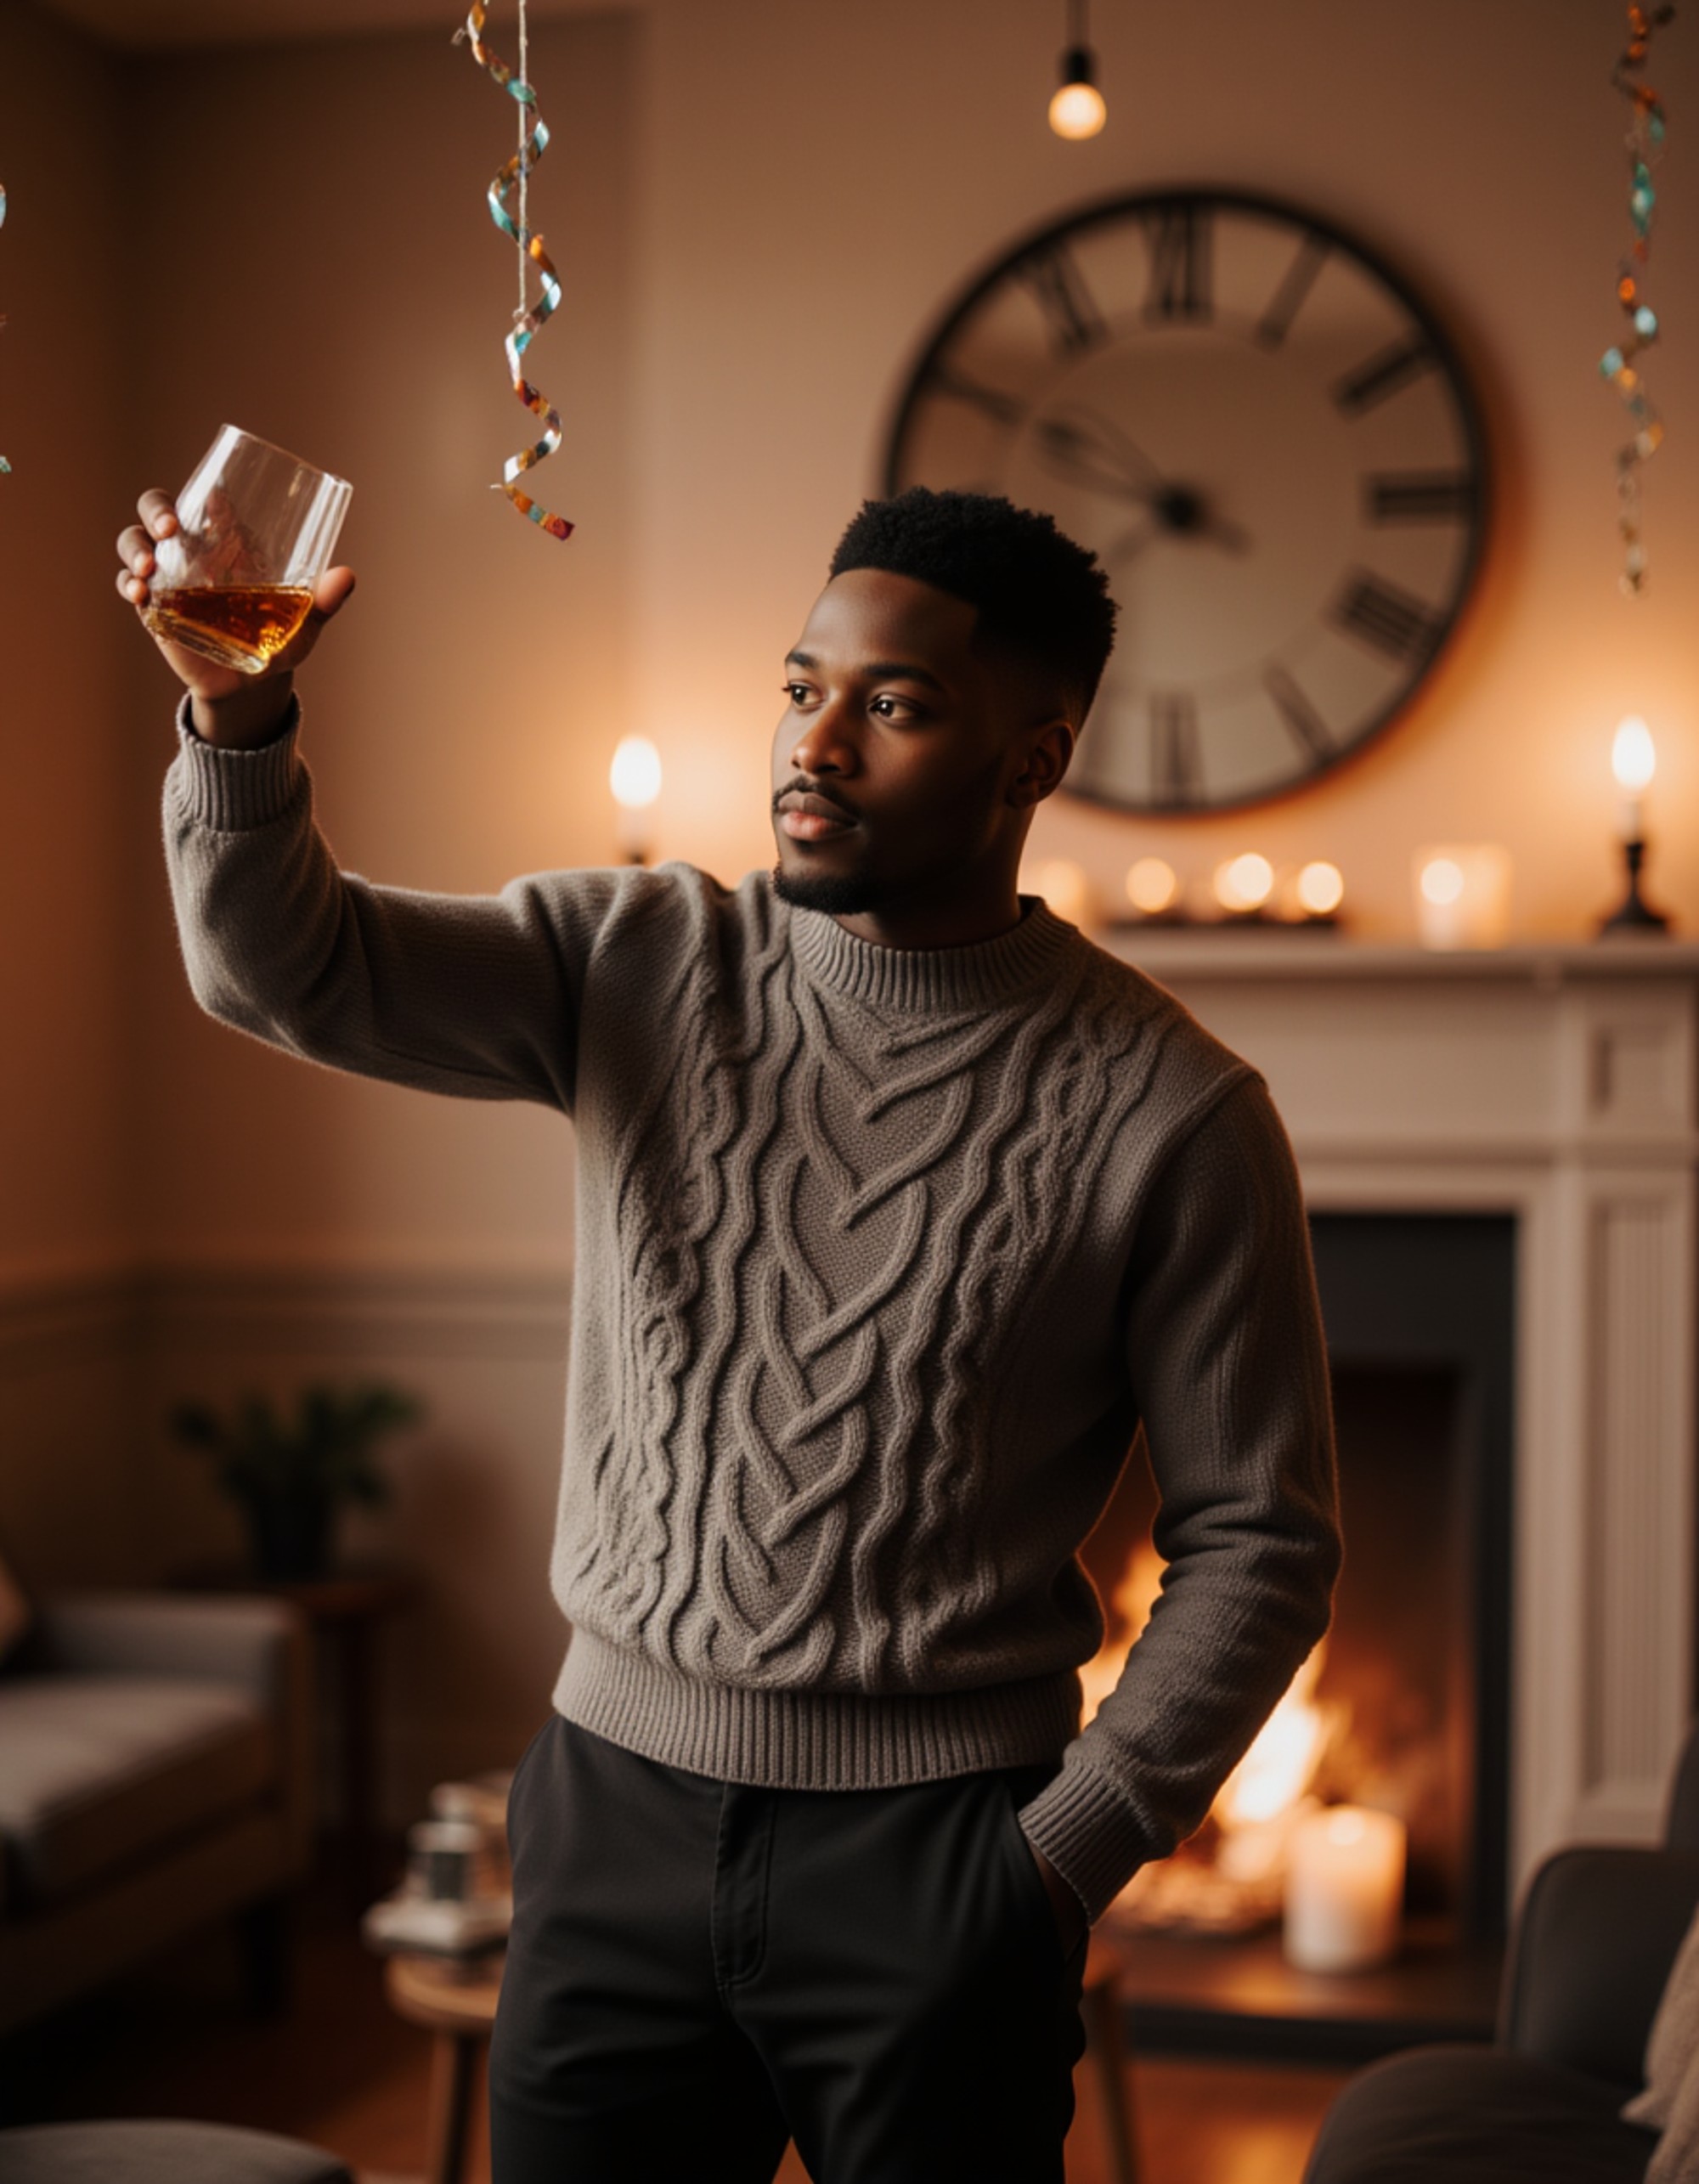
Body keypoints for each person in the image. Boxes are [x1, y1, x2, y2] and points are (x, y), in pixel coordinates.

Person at [116, 482, 1341, 2184]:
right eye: (800, 685)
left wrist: (1059, 1854)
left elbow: (1260, 1541)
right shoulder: (635, 955)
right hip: (608, 1811)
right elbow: (282, 966)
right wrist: (236, 713)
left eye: (893, 704)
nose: (815, 742)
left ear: (1033, 758)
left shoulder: (1176, 1111)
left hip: (944, 1858)